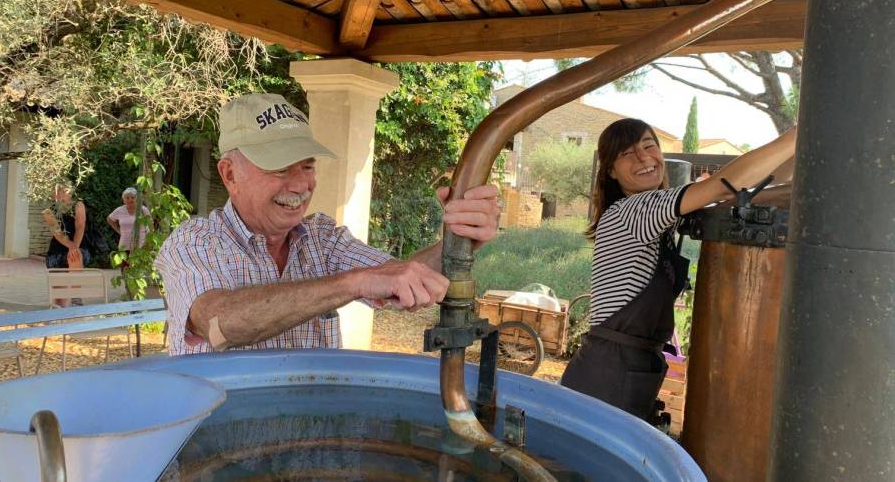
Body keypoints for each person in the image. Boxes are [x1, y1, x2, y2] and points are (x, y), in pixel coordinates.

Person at [155, 93, 501, 356]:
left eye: (307, 166)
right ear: (229, 174)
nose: (299, 185)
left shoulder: (320, 238)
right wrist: (355, 283)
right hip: (221, 442)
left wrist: (461, 240)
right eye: (279, 168)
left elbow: (398, 277)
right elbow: (218, 328)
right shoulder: (195, 241)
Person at [560, 118, 797, 421]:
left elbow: (750, 184)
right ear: (610, 171)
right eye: (627, 154)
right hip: (606, 374)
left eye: (649, 146)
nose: (644, 158)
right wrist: (795, 135)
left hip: (629, 368)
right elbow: (725, 184)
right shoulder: (633, 211)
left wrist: (800, 150)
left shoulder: (657, 215)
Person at [42, 182, 90, 308]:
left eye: (62, 191)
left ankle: (76, 301)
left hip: (78, 243)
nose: (58, 195)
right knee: (60, 294)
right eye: (57, 192)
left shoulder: (78, 205)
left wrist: (74, 247)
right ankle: (58, 314)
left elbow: (80, 226)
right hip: (59, 247)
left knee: (76, 258)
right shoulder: (48, 211)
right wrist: (71, 246)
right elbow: (57, 232)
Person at [107, 187, 150, 251]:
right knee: (124, 261)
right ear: (124, 200)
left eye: (132, 197)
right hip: (124, 245)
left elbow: (150, 225)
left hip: (141, 245)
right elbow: (109, 219)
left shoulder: (143, 209)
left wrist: (149, 242)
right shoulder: (119, 210)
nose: (130, 200)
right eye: (127, 198)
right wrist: (118, 230)